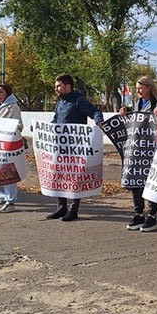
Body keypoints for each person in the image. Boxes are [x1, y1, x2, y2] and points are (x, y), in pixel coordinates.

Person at [47, 74, 104, 222]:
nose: (56, 89)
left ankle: (73, 209)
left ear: (68, 86)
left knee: (74, 177)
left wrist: (99, 121)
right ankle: (61, 207)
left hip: (75, 147)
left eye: (58, 86)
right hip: (60, 146)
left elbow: (94, 112)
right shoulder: (60, 102)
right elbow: (56, 120)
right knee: (60, 175)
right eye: (55, 86)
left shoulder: (79, 101)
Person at [120, 76, 157, 232]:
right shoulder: (137, 104)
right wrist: (125, 113)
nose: (138, 91)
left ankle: (152, 216)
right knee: (136, 181)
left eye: (140, 88)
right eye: (137, 88)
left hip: (151, 150)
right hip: (136, 149)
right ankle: (138, 213)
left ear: (149, 87)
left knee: (150, 182)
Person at [0, 83, 23, 213]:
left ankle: (11, 200)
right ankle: (1, 198)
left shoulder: (12, 107)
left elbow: (19, 124)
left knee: (8, 172)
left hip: (8, 145)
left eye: (1, 92)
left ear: (7, 93)